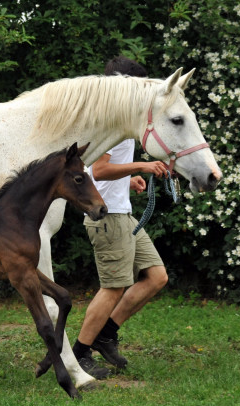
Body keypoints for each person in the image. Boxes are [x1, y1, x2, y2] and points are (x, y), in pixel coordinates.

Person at [73, 56, 170, 379]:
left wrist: (128, 179)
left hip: (123, 213)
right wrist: (142, 166)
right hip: (107, 217)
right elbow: (98, 168)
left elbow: (97, 172)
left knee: (157, 277)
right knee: (113, 287)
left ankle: (105, 334)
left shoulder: (123, 119)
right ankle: (79, 354)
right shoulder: (107, 121)